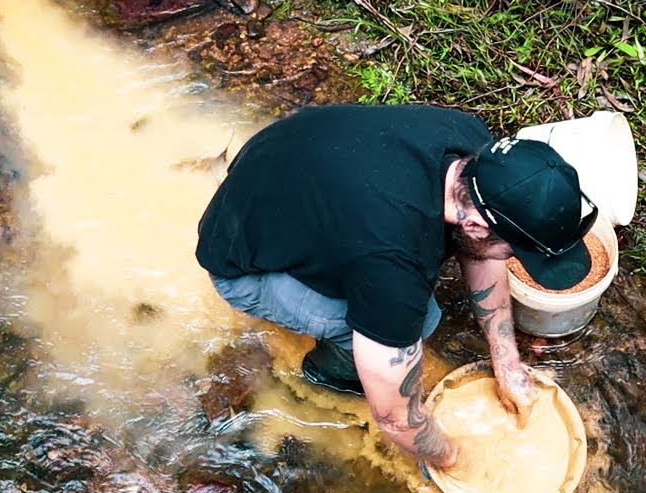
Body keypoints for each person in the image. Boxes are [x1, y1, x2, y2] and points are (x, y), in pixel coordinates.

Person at [196, 104, 596, 472]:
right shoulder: (393, 263)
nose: (513, 260)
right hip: (241, 263)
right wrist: (457, 460)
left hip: (279, 169)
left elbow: (483, 252)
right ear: (474, 224)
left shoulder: (474, 148)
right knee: (413, 325)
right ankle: (327, 375)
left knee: (411, 316)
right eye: (517, 251)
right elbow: (394, 417)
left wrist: (507, 365)